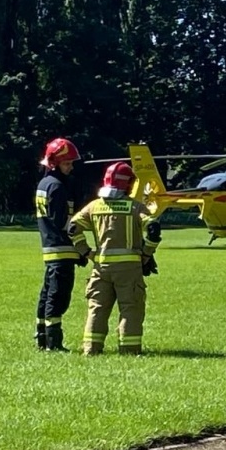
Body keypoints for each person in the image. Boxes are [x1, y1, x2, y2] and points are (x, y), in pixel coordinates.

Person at [70, 161, 162, 356]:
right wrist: (146, 254)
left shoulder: (94, 206)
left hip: (101, 267)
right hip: (129, 269)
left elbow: (73, 228)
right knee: (130, 308)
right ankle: (129, 349)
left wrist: (87, 252)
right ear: (128, 184)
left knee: (97, 308)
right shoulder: (135, 207)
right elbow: (153, 230)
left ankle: (91, 349)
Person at [35, 137, 83, 351]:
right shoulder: (57, 187)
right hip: (62, 250)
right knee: (58, 297)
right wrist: (81, 248)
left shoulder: (44, 184)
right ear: (55, 163)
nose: (71, 167)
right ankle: (54, 342)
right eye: (67, 163)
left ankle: (42, 337)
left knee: (47, 294)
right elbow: (64, 222)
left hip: (50, 248)